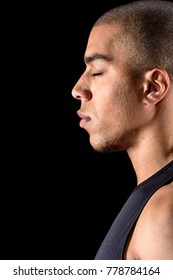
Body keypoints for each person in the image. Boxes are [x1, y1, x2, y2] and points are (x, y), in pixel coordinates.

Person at [71, 0, 173, 260]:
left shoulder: (164, 214)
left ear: (152, 87)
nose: (77, 90)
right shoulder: (154, 201)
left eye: (97, 71)